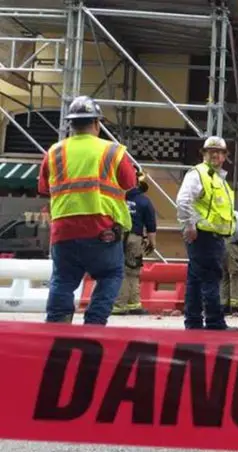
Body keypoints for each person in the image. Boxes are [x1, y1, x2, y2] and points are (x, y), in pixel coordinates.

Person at [38, 95, 137, 325]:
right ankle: (93, 325)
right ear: (96, 123)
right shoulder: (112, 151)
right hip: (101, 230)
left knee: (63, 279)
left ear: (71, 124)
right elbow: (130, 183)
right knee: (111, 274)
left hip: (63, 231)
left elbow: (44, 188)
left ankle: (57, 327)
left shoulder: (54, 152)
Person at [176, 136, 237, 331]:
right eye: (211, 151)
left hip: (210, 236)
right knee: (211, 279)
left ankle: (193, 322)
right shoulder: (199, 174)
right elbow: (183, 200)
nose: (215, 155)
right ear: (204, 154)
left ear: (225, 156)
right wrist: (190, 225)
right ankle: (214, 322)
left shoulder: (217, 178)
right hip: (203, 236)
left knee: (195, 279)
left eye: (219, 152)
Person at [113, 171, 157, 315]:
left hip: (117, 237)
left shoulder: (116, 198)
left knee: (120, 271)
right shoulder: (144, 201)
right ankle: (134, 303)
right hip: (136, 238)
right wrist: (152, 242)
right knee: (133, 271)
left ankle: (119, 304)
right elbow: (151, 225)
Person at [221, 210, 238, 314]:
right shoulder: (235, 214)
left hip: (219, 245)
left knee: (224, 276)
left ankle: (223, 304)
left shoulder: (218, 212)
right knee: (236, 274)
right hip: (232, 245)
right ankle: (235, 306)